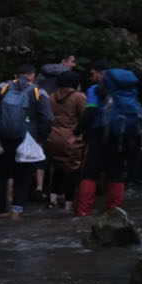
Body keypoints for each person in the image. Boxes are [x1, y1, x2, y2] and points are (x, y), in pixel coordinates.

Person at [0, 64, 53, 219]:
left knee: (2, 174)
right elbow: (47, 118)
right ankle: (17, 211)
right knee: (24, 175)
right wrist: (42, 138)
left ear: (16, 75)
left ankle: (1, 210)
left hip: (3, 137)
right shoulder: (37, 91)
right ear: (32, 76)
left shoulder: (4, 87)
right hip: (27, 139)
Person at [75, 63, 142, 216]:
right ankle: (114, 213)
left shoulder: (95, 90)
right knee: (117, 174)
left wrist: (77, 133)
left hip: (100, 136)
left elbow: (91, 111)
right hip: (124, 137)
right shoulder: (131, 94)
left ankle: (83, 213)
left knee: (90, 174)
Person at [43, 71, 88, 209]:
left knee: (57, 168)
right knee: (72, 170)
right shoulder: (78, 97)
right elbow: (85, 118)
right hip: (71, 138)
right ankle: (68, 202)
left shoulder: (51, 97)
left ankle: (53, 199)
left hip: (52, 137)